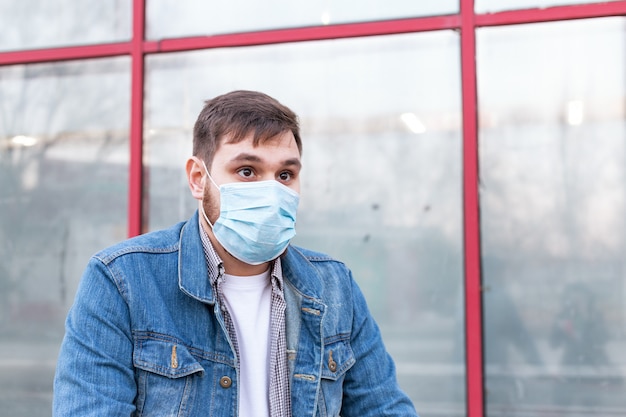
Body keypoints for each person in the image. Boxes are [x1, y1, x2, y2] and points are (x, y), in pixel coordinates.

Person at [53, 90, 418, 417]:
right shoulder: (122, 280)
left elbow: (383, 407)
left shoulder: (334, 286)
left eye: (286, 175)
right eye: (247, 171)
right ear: (198, 178)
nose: (272, 190)